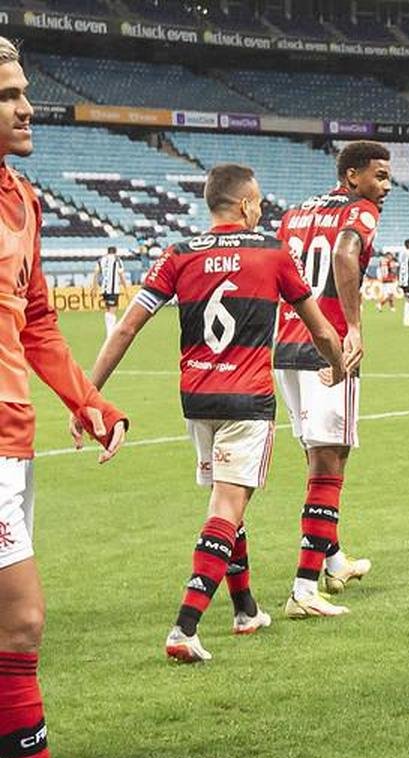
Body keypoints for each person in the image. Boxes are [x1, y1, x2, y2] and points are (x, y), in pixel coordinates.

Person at [89, 163, 346, 662]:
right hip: (247, 400)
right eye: (259, 201)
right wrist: (336, 365)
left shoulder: (179, 253)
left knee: (228, 502)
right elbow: (318, 328)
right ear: (248, 203)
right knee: (227, 508)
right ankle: (185, 626)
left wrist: (87, 396)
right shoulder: (272, 251)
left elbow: (123, 330)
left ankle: (246, 608)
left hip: (197, 399)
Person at [0, 37, 128, 758]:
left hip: (15, 440)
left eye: (23, 90)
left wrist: (85, 397)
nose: (26, 106)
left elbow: (38, 317)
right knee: (22, 623)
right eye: (7, 95)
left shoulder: (23, 198)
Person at [275, 141, 390, 619]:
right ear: (352, 178)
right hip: (329, 348)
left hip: (285, 344)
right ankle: (303, 589)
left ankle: (335, 562)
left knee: (315, 456)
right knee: (330, 465)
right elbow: (345, 255)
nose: (385, 188)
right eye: (379, 177)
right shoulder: (359, 212)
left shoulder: (294, 213)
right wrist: (354, 327)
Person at [90, 245, 127, 339]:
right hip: (113, 289)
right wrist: (125, 287)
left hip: (104, 289)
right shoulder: (117, 259)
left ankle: (110, 332)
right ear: (115, 252)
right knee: (113, 310)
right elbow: (121, 274)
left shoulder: (101, 260)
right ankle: (110, 334)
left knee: (108, 310)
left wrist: (94, 287)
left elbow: (95, 273)